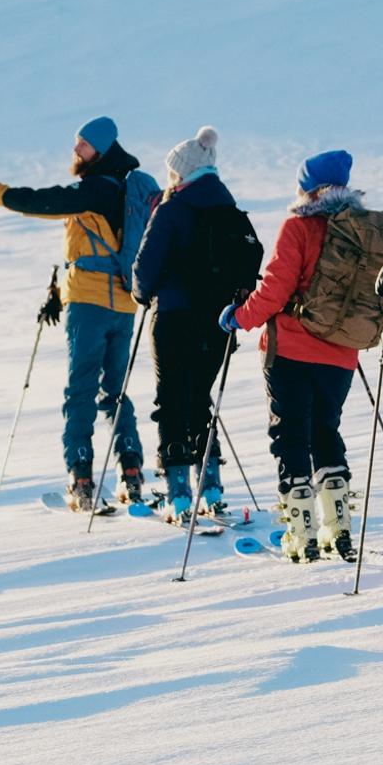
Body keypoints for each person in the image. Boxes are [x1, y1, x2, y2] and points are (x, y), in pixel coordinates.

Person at [0, 118, 158, 512]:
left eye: (84, 145)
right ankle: (131, 472)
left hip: (91, 306)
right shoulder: (129, 188)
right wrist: (59, 294)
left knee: (79, 390)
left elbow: (27, 201)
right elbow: (98, 250)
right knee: (115, 388)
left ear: (104, 149)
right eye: (77, 143)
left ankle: (81, 478)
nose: (77, 150)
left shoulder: (95, 189)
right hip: (124, 304)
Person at [221, 150, 383, 563]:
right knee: (325, 431)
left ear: (310, 187)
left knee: (290, 435)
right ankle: (339, 530)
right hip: (341, 353)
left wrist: (240, 318)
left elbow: (276, 289)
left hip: (292, 350)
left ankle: (300, 535)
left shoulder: (298, 227)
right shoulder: (363, 231)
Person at [132, 127, 261, 522]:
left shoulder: (171, 210)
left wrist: (142, 294)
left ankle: (179, 492)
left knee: (171, 400)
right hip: (218, 324)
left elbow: (144, 271)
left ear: (181, 174)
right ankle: (212, 484)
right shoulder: (230, 211)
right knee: (200, 399)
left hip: (174, 319)